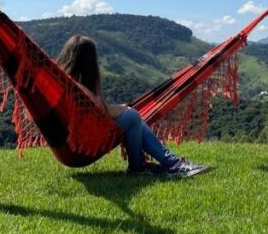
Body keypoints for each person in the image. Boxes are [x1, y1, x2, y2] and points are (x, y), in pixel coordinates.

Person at [57, 35, 208, 177]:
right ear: (89, 61)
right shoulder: (75, 87)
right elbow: (102, 109)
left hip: (73, 140)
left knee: (133, 118)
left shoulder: (60, 81)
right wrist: (122, 108)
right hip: (81, 144)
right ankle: (145, 166)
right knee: (132, 116)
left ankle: (169, 163)